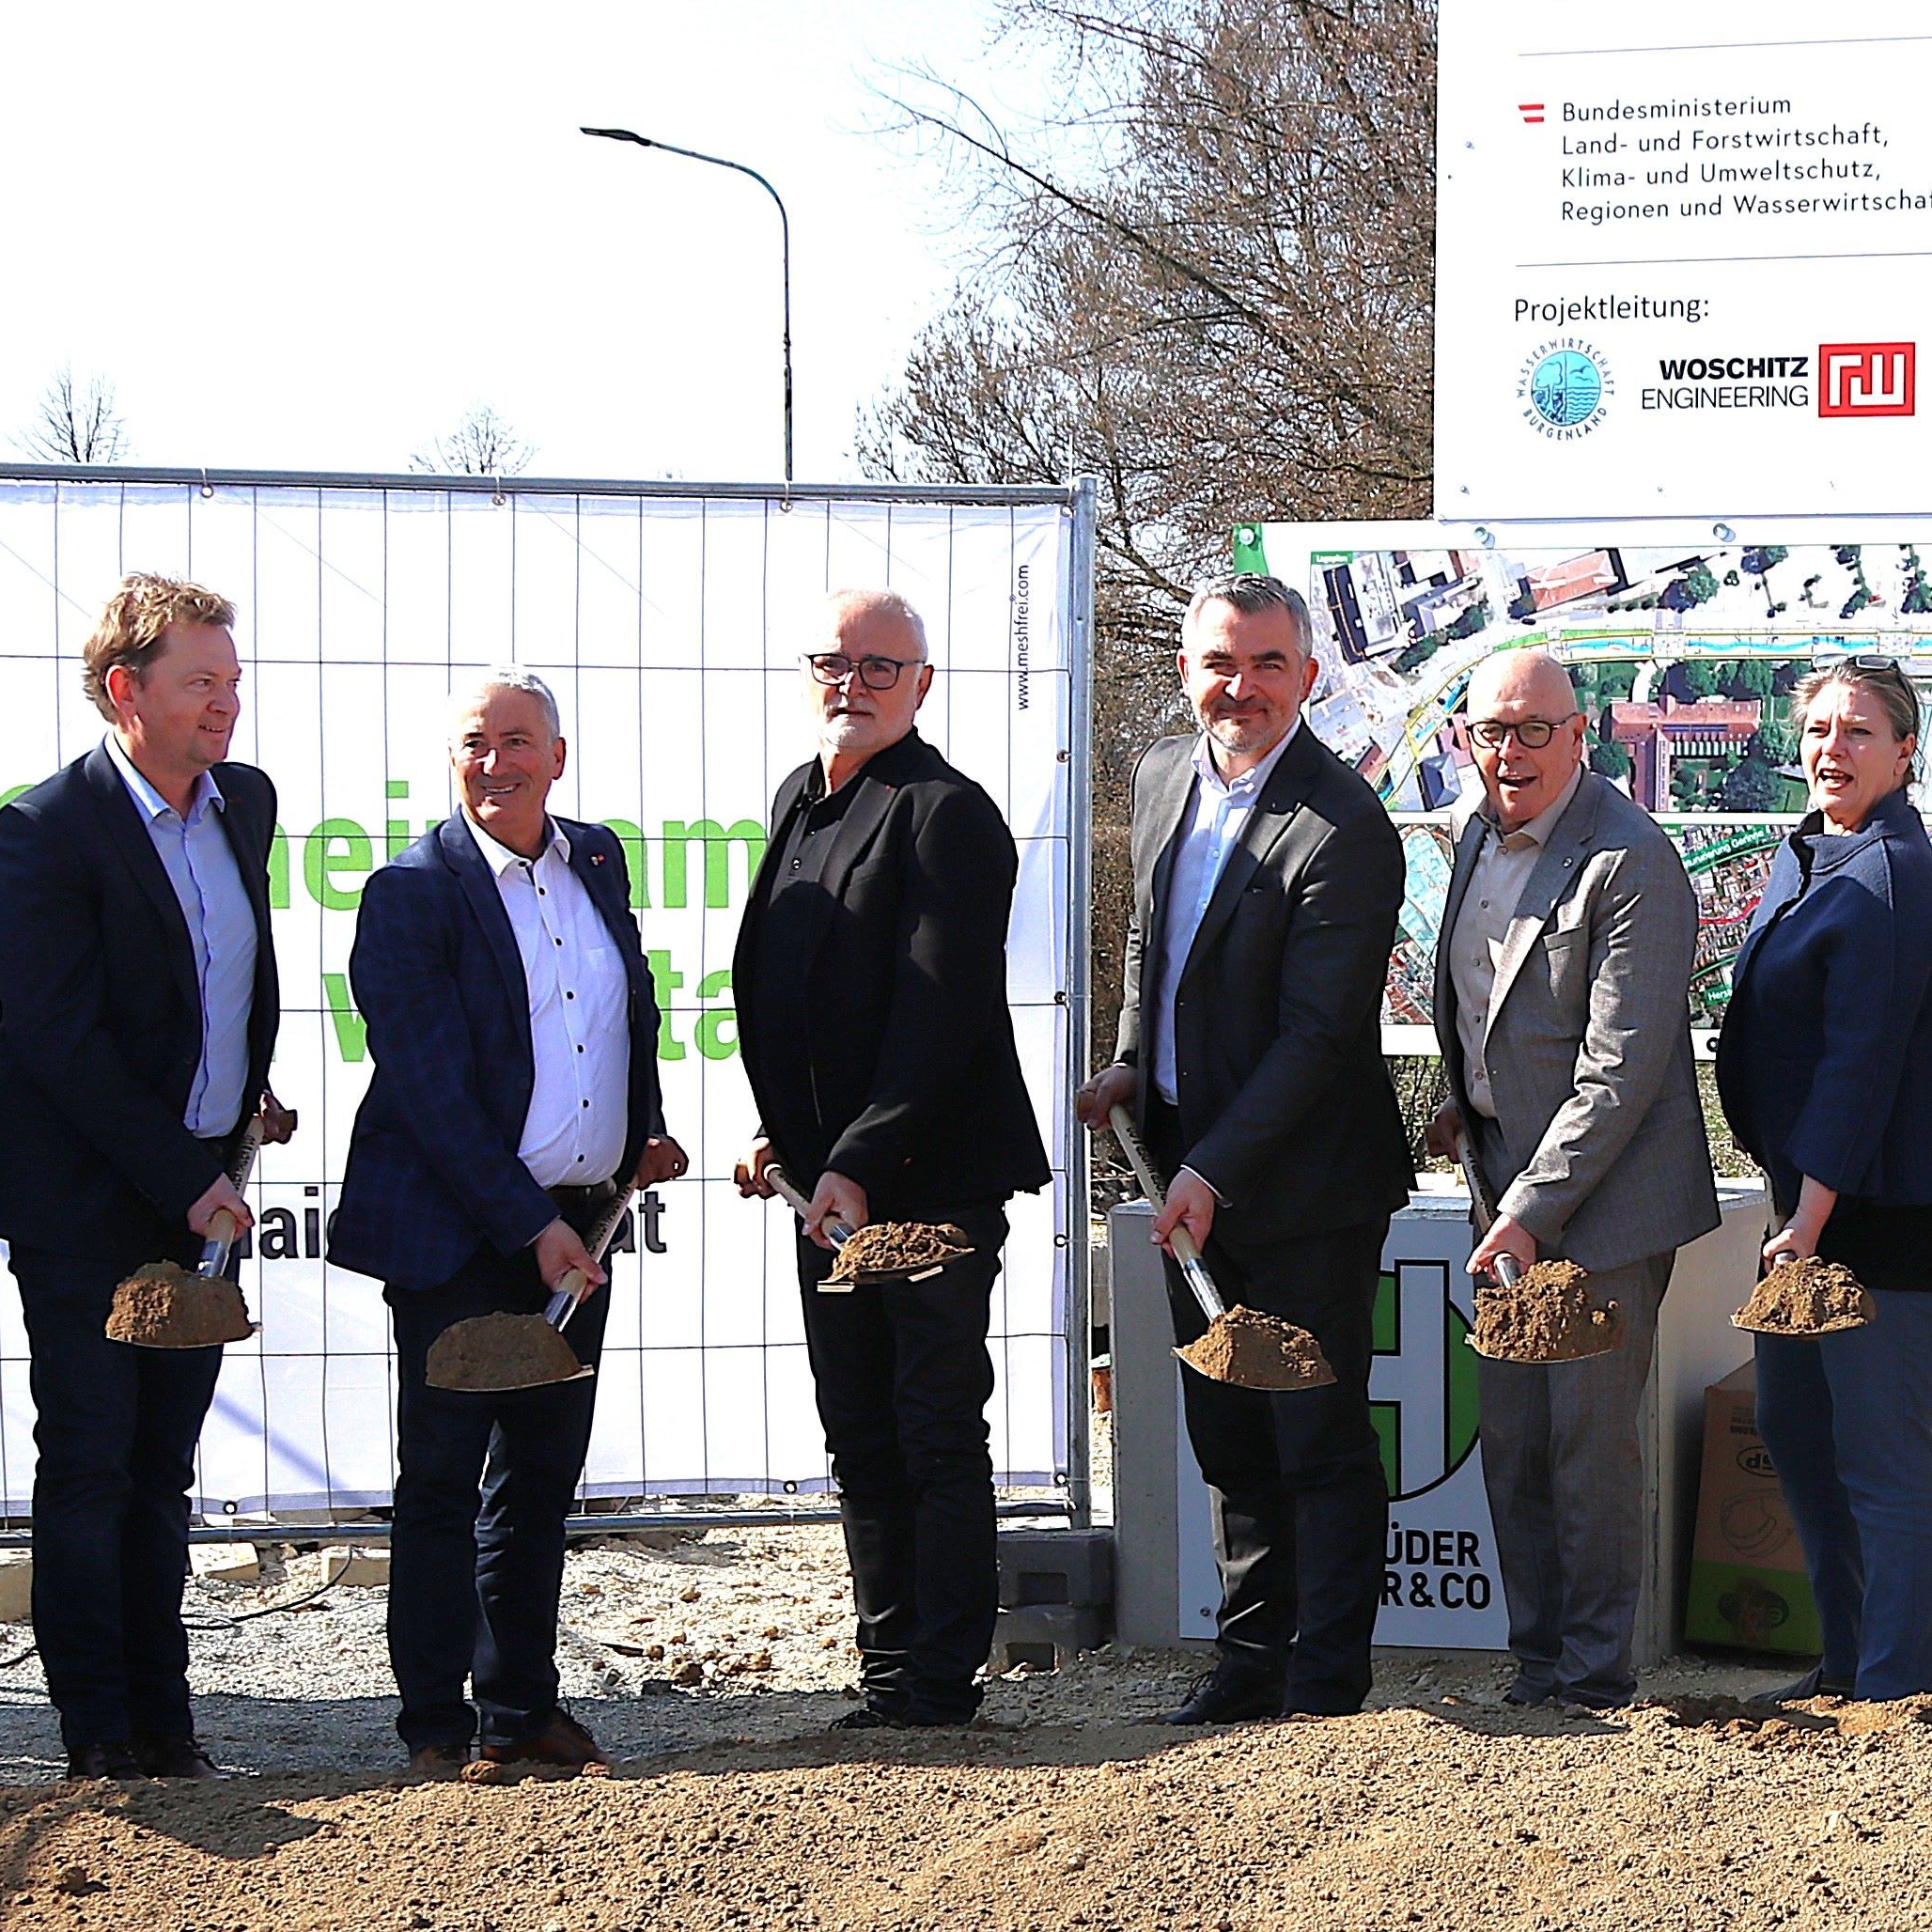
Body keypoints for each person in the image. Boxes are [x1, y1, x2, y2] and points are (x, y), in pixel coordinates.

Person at [0, 573, 293, 1782]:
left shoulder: (243, 803)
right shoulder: (44, 830)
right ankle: (98, 1732)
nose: (227, 702)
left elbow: (220, 979)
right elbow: (61, 1040)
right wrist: (182, 1175)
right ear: (126, 689)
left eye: (232, 680)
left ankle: (166, 1723)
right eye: (202, 681)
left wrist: (245, 1095)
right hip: (87, 1204)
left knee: (165, 1470)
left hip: (200, 1187)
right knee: (94, 1462)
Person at [339, 673, 686, 1784]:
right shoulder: (411, 891)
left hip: (578, 1226)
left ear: (558, 755)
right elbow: (430, 1089)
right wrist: (530, 1225)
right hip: (459, 1234)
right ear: (452, 759)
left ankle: (519, 1710)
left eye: (519, 741)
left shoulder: (596, 861)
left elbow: (623, 1013)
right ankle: (435, 1726)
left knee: (539, 1478)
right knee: (444, 1480)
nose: (497, 763)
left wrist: (643, 1130)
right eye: (475, 743)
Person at [1072, 577, 1408, 1724]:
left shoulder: (1345, 826)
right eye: (1221, 662)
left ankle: (1325, 1686)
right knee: (1227, 1431)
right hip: (1185, 1172)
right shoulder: (1162, 775)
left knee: (1315, 1435)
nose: (1243, 687)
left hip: (1306, 1188)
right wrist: (1130, 1059)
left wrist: (1211, 1172)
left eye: (1268, 664)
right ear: (1187, 671)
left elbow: (1319, 1037)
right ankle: (1249, 1663)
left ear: (1307, 676)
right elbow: (1147, 941)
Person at [739, 588, 1052, 1730]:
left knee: (930, 1422)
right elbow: (800, 993)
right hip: (829, 1188)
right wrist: (786, 1133)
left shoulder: (946, 813)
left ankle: (939, 1675)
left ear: (923, 684)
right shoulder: (801, 796)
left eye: (881, 667)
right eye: (836, 662)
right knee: (858, 1426)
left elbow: (938, 1012)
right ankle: (886, 1669)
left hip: (928, 1185)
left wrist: (860, 1156)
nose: (854, 684)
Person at [1422, 649, 1710, 1714]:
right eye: (1490, 730)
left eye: (1534, 729)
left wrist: (1529, 1213)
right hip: (1502, 1183)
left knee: (1586, 1449)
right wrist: (1473, 1098)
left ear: (1580, 736)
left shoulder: (1631, 859)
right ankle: (1536, 1661)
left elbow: (1619, 1072)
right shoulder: (1473, 837)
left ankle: (1593, 1676)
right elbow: (1485, 1001)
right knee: (1513, 1441)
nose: (1511, 751)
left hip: (1605, 1203)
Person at [1714, 654, 1932, 1703]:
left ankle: (1893, 1692)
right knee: (1796, 1429)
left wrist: (1808, 1217)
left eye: (1858, 731)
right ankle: (1842, 1665)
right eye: (1818, 729)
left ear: (1905, 751)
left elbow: (1861, 1063)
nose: (1831, 748)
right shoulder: (1812, 852)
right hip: (1815, 1198)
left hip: (1894, 1207)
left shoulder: (1891, 877)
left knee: (1878, 1451)